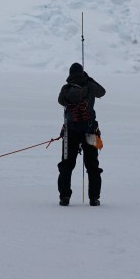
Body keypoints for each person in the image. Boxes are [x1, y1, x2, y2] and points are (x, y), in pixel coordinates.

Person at [56, 62, 106, 206]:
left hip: (70, 132)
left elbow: (60, 101)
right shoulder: (90, 86)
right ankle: (94, 198)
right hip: (90, 132)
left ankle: (64, 197)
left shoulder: (66, 88)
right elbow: (102, 92)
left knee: (66, 165)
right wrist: (89, 79)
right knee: (92, 166)